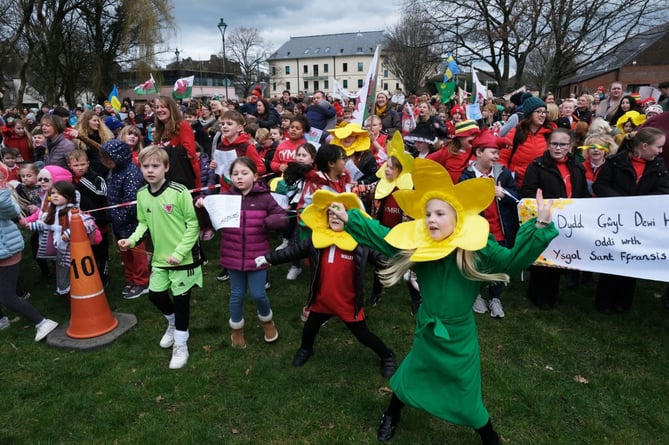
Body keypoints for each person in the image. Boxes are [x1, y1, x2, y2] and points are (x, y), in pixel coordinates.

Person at [328, 158, 558, 444]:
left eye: (439, 213)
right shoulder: (421, 244)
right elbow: (385, 238)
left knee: (464, 387)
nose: (432, 219)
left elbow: (512, 262)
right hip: (428, 327)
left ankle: (488, 435)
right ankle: (392, 413)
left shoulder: (478, 248)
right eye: (427, 214)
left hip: (459, 334)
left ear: (457, 217)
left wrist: (541, 227)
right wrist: (352, 219)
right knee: (413, 373)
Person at [256, 191, 397, 377]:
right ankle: (306, 349)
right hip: (322, 301)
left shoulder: (358, 245)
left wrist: (400, 268)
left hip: (347, 303)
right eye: (330, 213)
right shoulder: (316, 241)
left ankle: (387, 356)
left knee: (363, 335)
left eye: (339, 213)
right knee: (309, 329)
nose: (335, 217)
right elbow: (291, 252)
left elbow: (381, 260)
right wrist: (268, 258)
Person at [118, 145, 203, 369]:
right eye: (145, 166)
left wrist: (179, 253)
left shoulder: (179, 191)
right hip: (160, 258)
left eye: (156, 166)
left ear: (166, 167)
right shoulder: (142, 194)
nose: (150, 170)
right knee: (155, 295)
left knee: (181, 300)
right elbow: (143, 223)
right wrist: (132, 240)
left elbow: (193, 225)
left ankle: (181, 344)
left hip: (183, 258)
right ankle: (173, 323)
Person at [195, 157, 287, 348]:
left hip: (258, 256)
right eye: (235, 174)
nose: (239, 177)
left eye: (244, 173)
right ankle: (236, 329)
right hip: (233, 255)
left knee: (258, 294)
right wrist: (202, 207)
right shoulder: (225, 198)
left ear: (254, 175)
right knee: (236, 295)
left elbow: (282, 216)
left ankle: (267, 321)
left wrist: (272, 221)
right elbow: (208, 223)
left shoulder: (264, 197)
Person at [592, 128, 669, 313]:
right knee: (612, 260)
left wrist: (640, 205)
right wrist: (622, 202)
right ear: (644, 146)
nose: (660, 151)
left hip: (639, 224)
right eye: (658, 147)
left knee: (632, 260)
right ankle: (604, 301)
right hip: (615, 222)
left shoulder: (659, 166)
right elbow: (600, 185)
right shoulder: (615, 162)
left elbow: (663, 191)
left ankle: (623, 302)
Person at [520, 128, 589, 309]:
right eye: (554, 144)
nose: (558, 148)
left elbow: (581, 192)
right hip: (546, 219)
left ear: (571, 146)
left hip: (569, 220)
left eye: (563, 144)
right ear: (548, 145)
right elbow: (527, 192)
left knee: (559, 257)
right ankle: (537, 294)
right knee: (543, 258)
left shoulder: (577, 167)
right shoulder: (537, 166)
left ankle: (552, 294)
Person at [460, 130, 518, 318]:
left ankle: (495, 298)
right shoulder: (466, 176)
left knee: (499, 264)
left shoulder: (503, 174)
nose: (497, 156)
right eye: (493, 152)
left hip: (500, 231)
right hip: (477, 232)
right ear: (478, 152)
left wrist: (504, 194)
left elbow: (517, 197)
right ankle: (475, 294)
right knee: (476, 263)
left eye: (497, 153)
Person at [0, 162, 59, 341]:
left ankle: (42, 322)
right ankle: (2, 319)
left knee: (7, 295)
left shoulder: (3, 198)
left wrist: (2, 189)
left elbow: (11, 210)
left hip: (6, 249)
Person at [23, 180, 98, 299]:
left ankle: (78, 294)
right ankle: (69, 294)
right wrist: (32, 225)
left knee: (73, 273)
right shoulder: (53, 210)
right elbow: (47, 225)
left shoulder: (72, 211)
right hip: (61, 250)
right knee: (62, 271)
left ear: (68, 196)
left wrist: (69, 232)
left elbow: (86, 224)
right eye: (52, 193)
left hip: (73, 250)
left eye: (59, 193)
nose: (54, 196)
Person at [99, 140, 149, 300]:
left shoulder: (132, 172)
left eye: (110, 158)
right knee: (125, 253)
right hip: (118, 222)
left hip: (132, 222)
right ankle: (131, 278)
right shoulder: (114, 171)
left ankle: (142, 282)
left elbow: (132, 201)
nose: (107, 163)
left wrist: (118, 217)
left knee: (137, 253)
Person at [67, 149, 110, 286]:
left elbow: (101, 194)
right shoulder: (68, 180)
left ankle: (104, 277)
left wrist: (82, 182)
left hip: (98, 222)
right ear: (70, 165)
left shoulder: (97, 179)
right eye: (76, 165)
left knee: (101, 251)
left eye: (82, 165)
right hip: (79, 223)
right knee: (85, 251)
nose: (80, 168)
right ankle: (89, 278)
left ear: (88, 164)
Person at [499, 95, 555, 188]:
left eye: (545, 111)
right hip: (517, 185)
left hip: (543, 185)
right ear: (529, 114)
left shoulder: (550, 134)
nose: (543, 115)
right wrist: (505, 179)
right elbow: (502, 159)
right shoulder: (515, 133)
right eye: (539, 111)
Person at [152, 96, 200, 189]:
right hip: (165, 177)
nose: (159, 110)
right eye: (157, 107)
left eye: (163, 107)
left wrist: (162, 150)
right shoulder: (160, 129)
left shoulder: (182, 126)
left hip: (183, 177)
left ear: (171, 109)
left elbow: (189, 153)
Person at [427, 119, 481, 183]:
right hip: (451, 190)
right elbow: (428, 161)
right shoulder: (449, 150)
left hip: (471, 190)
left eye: (476, 135)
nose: (474, 138)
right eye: (472, 135)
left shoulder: (478, 152)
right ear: (460, 137)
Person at [69, 109, 115, 177]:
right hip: (88, 171)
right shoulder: (77, 138)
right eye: (94, 120)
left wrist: (81, 137)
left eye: (98, 120)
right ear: (86, 122)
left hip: (104, 169)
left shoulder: (104, 136)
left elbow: (102, 149)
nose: (97, 123)